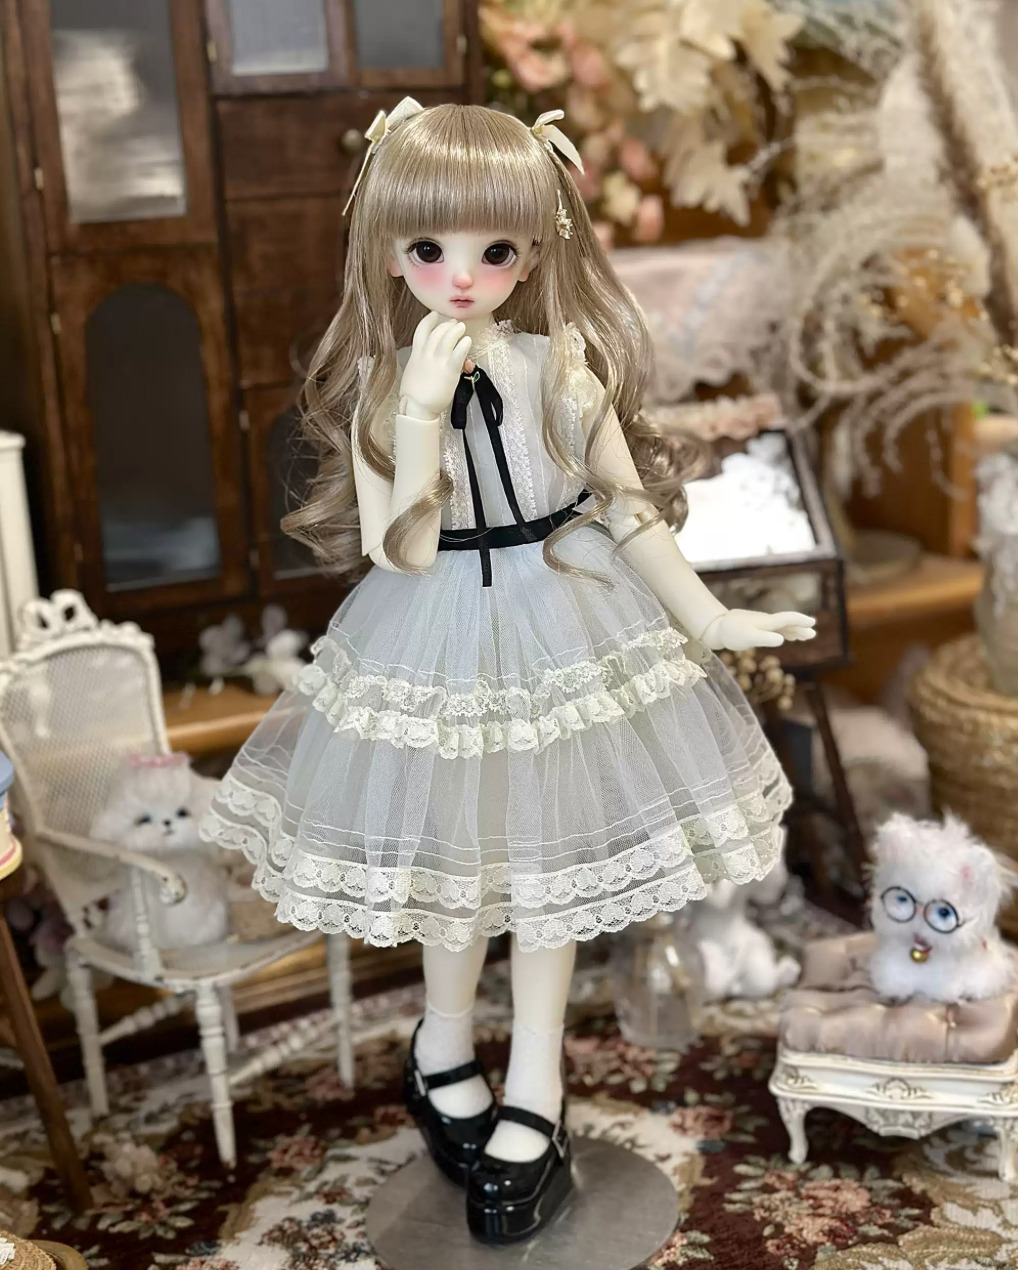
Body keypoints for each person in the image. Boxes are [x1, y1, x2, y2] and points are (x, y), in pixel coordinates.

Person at [201, 98, 814, 1244]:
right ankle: (441, 1045)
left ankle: (537, 1083)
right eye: (429, 249)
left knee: (548, 869)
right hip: (433, 626)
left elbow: (624, 506)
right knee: (460, 862)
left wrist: (707, 612)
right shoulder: (387, 381)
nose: (462, 276)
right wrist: (419, 413)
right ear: (389, 250)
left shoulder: (561, 366)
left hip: (563, 615)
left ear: (534, 254)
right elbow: (400, 549)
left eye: (495, 251)